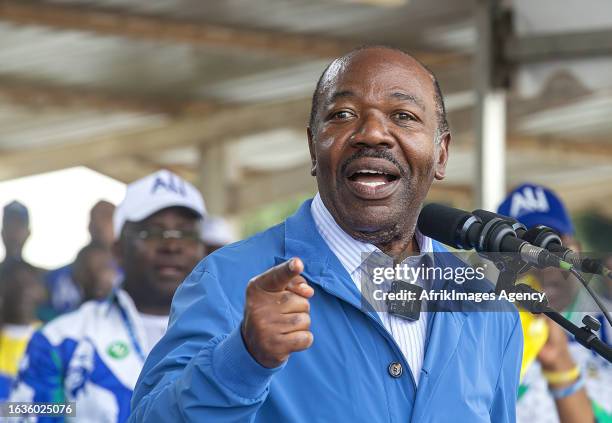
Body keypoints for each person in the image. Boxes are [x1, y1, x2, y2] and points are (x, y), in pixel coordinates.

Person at [130, 46, 523, 422]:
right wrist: (242, 358)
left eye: (403, 115)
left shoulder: (490, 309)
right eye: (343, 114)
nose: (372, 133)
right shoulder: (228, 280)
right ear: (312, 147)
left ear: (441, 154)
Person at [10, 170, 207, 422]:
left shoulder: (241, 337)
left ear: (203, 248)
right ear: (118, 249)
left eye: (185, 233)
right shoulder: (60, 339)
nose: (172, 245)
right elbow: (20, 412)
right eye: (152, 232)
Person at [498, 183, 611, 423]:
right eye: (521, 249)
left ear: (576, 251)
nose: (540, 261)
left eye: (552, 244)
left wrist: (563, 371)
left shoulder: (608, 324)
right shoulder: (484, 329)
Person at [42, 200, 117, 320]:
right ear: (88, 226)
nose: (100, 225)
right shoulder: (57, 277)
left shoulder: (132, 276)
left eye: (107, 218)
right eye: (95, 219)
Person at [0, 261, 46, 401]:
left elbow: (65, 408)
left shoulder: (53, 338)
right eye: (13, 285)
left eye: (28, 284)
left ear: (40, 291)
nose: (21, 291)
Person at [0, 201, 37, 275]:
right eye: (9, 225)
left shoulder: (41, 278)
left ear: (28, 233)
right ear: (2, 232)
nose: (13, 231)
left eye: (19, 226)